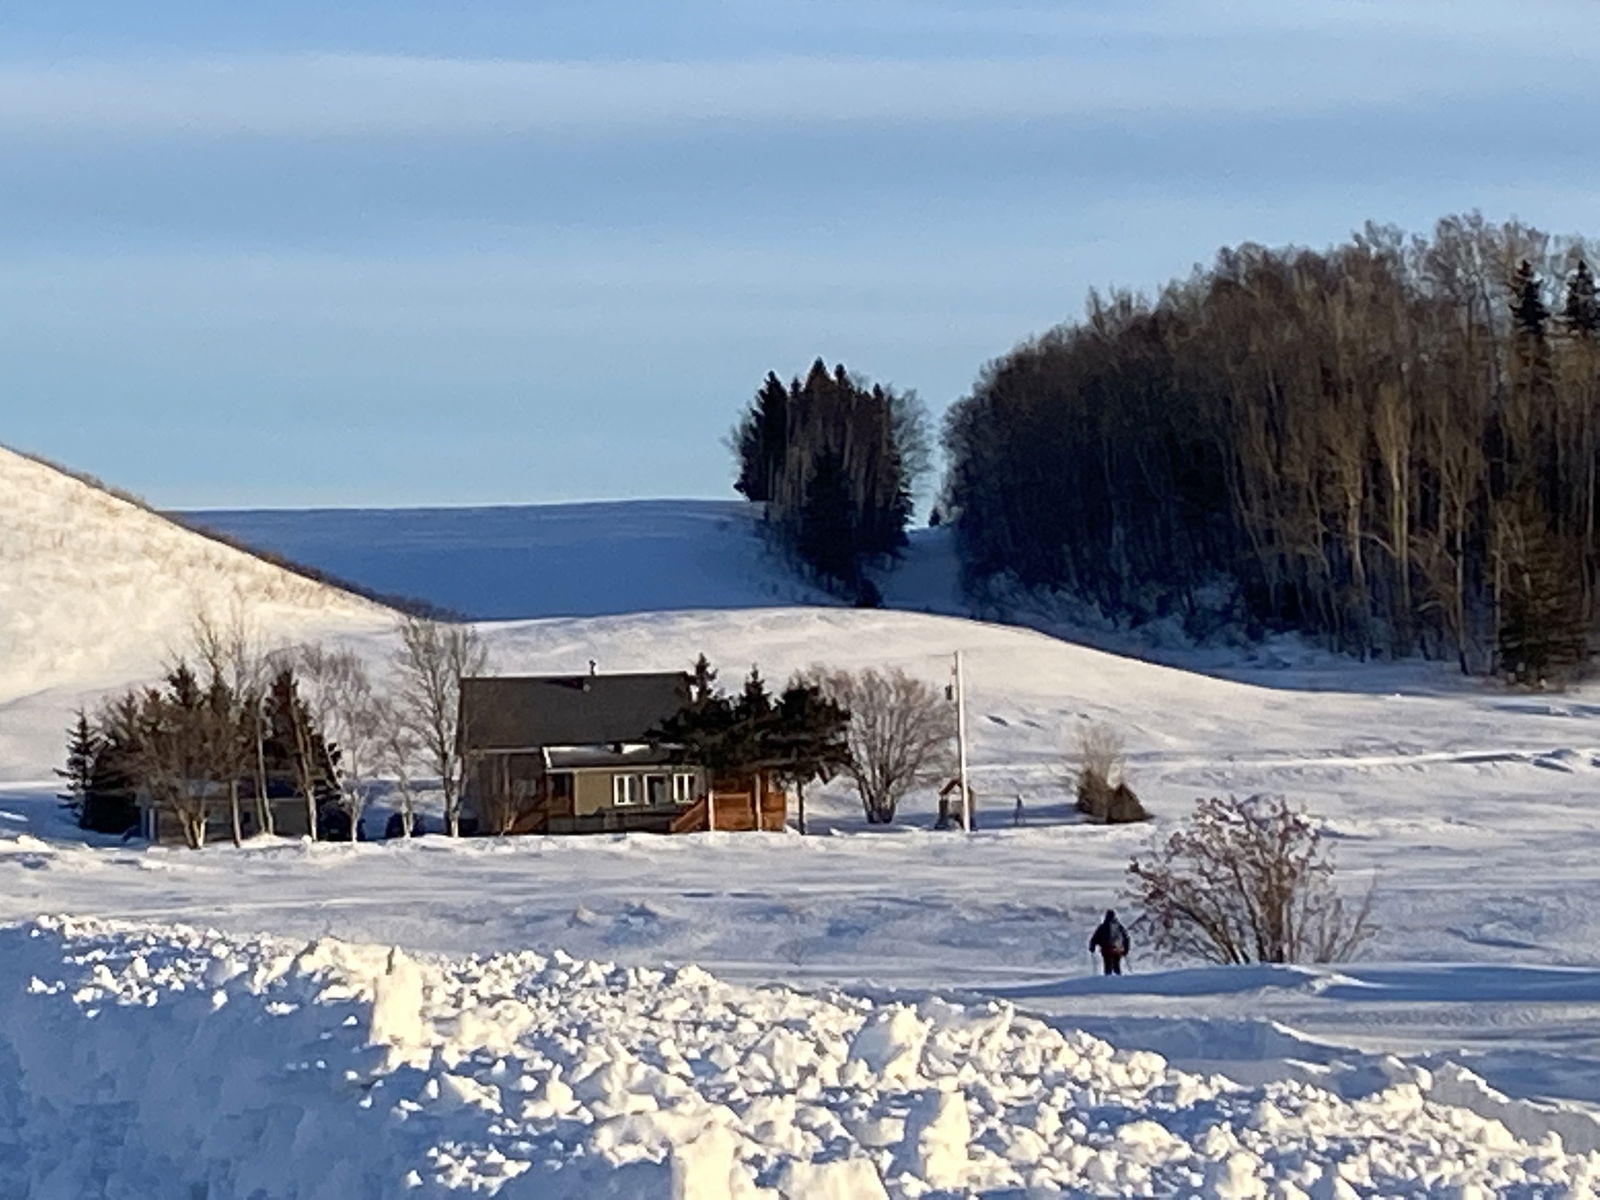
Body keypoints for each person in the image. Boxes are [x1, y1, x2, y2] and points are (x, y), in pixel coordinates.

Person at [1089, 909, 1129, 976]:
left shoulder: (1102, 927)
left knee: (1108, 965)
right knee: (1116, 965)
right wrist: (1126, 949)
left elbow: (1095, 938)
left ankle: (1108, 978)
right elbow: (1126, 938)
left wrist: (1092, 946)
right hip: (1117, 949)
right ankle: (1118, 978)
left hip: (1106, 949)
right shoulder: (1119, 926)